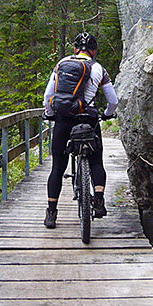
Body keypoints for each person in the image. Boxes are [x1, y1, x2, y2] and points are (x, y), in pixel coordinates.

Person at [42, 32, 118, 228]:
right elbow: (113, 101)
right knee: (96, 160)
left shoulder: (62, 64)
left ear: (75, 49)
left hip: (64, 120)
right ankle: (99, 201)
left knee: (58, 167)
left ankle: (51, 213)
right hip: (88, 119)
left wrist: (50, 113)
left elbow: (49, 94)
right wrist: (108, 114)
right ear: (93, 51)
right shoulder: (99, 69)